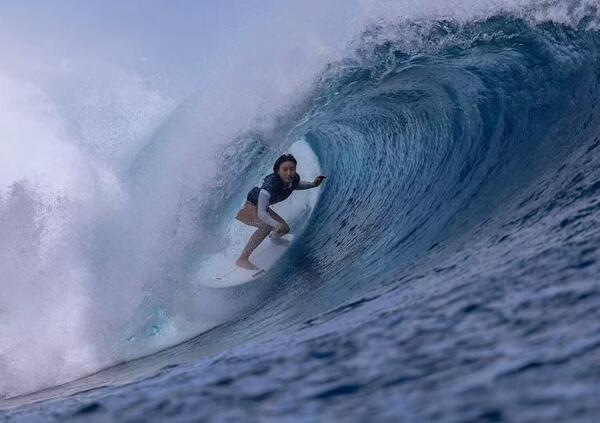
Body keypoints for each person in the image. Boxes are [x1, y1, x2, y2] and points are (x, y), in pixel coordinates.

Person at [234, 153, 325, 270]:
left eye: (292, 169)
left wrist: (313, 184)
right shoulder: (269, 187)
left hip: (260, 207)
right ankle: (242, 259)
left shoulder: (292, 179)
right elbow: (262, 213)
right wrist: (276, 224)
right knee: (266, 226)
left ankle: (275, 240)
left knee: (284, 229)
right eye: (285, 169)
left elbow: (296, 185)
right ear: (278, 171)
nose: (289, 173)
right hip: (245, 206)